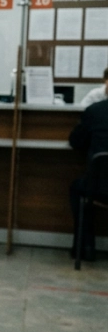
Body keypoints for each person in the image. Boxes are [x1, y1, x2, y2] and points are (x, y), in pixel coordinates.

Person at [68, 92, 108, 260]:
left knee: (80, 189)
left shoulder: (95, 111)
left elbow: (76, 141)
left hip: (99, 184)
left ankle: (85, 246)